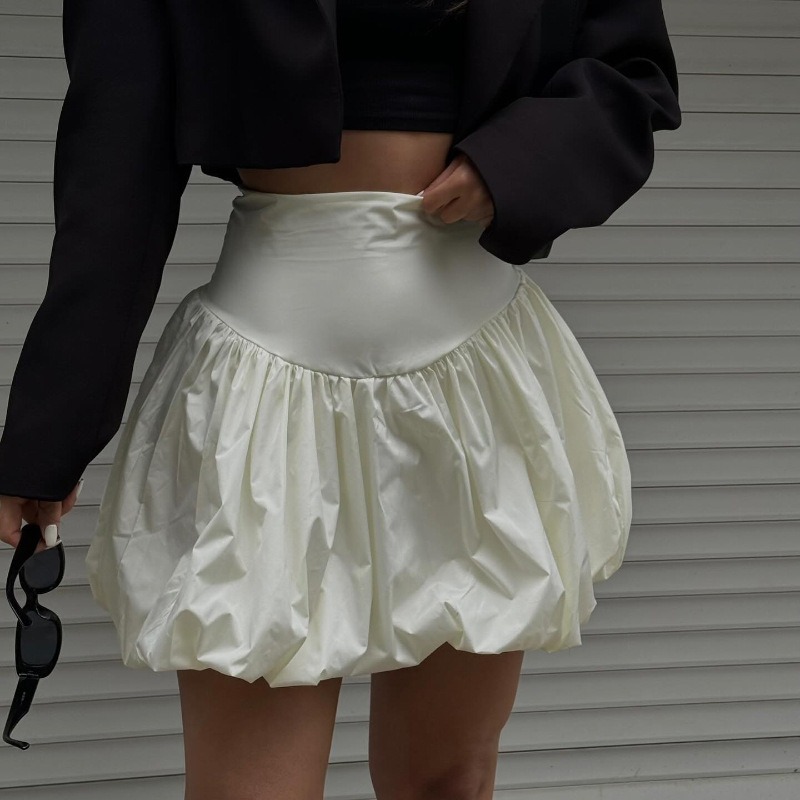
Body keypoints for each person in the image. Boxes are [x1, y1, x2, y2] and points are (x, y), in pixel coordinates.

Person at [0, 0, 681, 796]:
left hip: (475, 380)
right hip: (264, 390)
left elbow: (632, 72)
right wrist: (50, 437)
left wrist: (516, 163)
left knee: (446, 784)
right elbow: (116, 161)